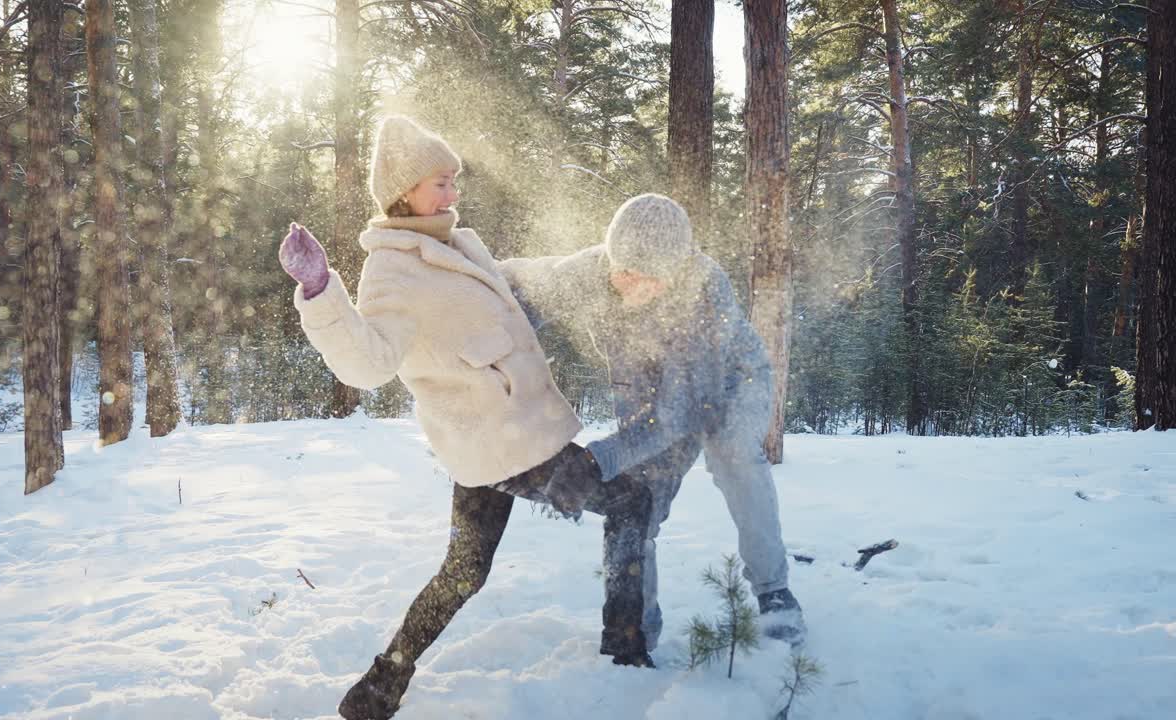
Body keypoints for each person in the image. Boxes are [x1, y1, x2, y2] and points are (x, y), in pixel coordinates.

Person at [279, 117, 654, 720]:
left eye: (454, 180)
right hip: (511, 445)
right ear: (403, 191)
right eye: (439, 183)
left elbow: (513, 291)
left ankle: (379, 687)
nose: (452, 193)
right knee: (632, 499)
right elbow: (369, 362)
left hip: (487, 444)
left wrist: (596, 267)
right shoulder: (394, 270)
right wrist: (322, 290)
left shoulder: (456, 242)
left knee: (465, 572)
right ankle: (626, 646)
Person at [499, 193, 806, 650]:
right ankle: (636, 628)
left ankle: (774, 590)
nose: (628, 282)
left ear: (673, 271)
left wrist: (593, 461)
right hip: (647, 393)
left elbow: (676, 415)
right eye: (622, 269)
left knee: (736, 459)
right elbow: (518, 286)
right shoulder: (591, 271)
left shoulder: (704, 293)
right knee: (640, 497)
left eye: (645, 276)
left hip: (728, 384)